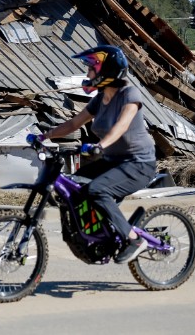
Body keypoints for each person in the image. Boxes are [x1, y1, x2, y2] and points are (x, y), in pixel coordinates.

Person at [41, 45, 156, 264]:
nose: (87, 75)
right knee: (72, 185)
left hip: (138, 163)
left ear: (106, 71)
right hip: (113, 162)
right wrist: (45, 136)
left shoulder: (129, 94)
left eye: (91, 69)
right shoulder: (100, 98)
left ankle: (134, 240)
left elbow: (121, 126)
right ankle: (98, 234)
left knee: (97, 190)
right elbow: (74, 123)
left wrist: (100, 146)